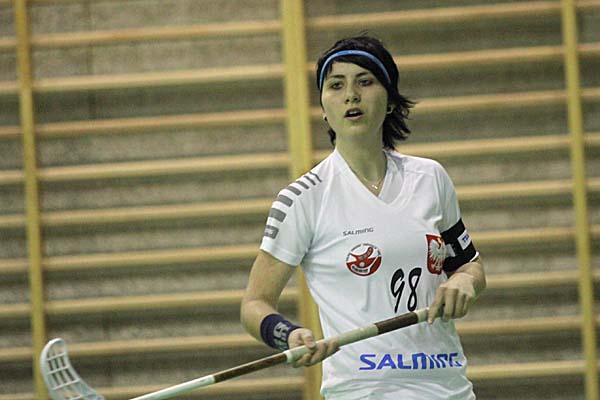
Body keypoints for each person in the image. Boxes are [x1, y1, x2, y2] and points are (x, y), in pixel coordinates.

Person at [241, 34, 486, 399]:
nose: (351, 95)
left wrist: (465, 281)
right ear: (324, 108)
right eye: (336, 85)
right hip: (364, 391)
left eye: (365, 82)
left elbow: (469, 266)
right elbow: (254, 304)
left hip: (447, 387)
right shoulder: (303, 199)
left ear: (390, 100)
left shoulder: (430, 179)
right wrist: (287, 335)